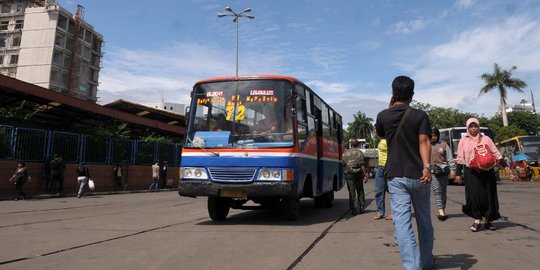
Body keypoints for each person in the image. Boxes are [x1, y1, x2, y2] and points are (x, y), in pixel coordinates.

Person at [375, 75, 434, 270]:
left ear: (392, 94)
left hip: (396, 175)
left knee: (402, 223)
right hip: (420, 175)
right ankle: (426, 262)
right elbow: (424, 141)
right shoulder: (420, 115)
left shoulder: (383, 116)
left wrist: (390, 106)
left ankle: (412, 267)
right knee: (424, 220)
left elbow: (381, 134)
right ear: (412, 94)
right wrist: (427, 167)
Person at [454, 118, 512, 232]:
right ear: (468, 128)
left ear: (479, 127)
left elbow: (496, 153)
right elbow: (460, 158)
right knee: (475, 196)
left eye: (475, 126)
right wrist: (457, 174)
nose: (473, 128)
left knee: (489, 195)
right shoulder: (463, 141)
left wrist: (505, 166)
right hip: (471, 172)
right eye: (471, 126)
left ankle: (488, 221)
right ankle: (477, 219)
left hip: (487, 171)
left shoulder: (486, 139)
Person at [430, 128, 456, 221]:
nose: (433, 137)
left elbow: (450, 158)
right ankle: (440, 211)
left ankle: (443, 209)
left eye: (435, 135)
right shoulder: (426, 145)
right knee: (437, 191)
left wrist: (453, 169)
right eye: (432, 135)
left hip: (443, 171)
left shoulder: (444, 145)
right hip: (432, 172)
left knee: (443, 191)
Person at [343, 139, 369, 216]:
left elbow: (343, 163)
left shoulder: (346, 153)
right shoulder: (360, 153)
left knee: (352, 192)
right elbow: (362, 165)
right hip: (358, 174)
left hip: (349, 174)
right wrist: (365, 175)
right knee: (360, 190)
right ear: (357, 145)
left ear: (351, 144)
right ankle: (361, 207)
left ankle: (354, 209)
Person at [373, 139, 392, 220]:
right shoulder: (381, 140)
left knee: (393, 191)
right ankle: (380, 212)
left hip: (389, 167)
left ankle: (395, 213)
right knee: (379, 191)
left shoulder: (390, 140)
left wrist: (388, 167)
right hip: (380, 168)